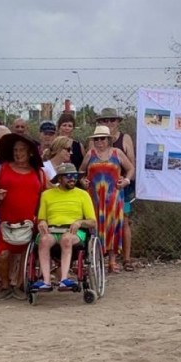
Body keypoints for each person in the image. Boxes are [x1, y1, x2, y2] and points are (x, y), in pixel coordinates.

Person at [0, 133, 46, 297]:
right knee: (2, 255)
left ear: (29, 152)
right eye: (15, 150)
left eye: (22, 149)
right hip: (6, 222)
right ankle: (6, 285)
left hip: (30, 223)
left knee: (26, 255)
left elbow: (48, 193)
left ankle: (20, 285)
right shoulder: (4, 168)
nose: (18, 153)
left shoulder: (39, 173)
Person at [33, 163, 98, 290]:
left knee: (66, 239)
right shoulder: (47, 195)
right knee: (44, 240)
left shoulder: (83, 194)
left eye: (74, 176)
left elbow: (92, 221)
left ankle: (64, 279)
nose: (72, 178)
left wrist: (79, 222)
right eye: (68, 176)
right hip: (52, 230)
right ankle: (46, 281)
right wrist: (42, 222)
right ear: (60, 179)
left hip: (74, 231)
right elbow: (42, 218)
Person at [80, 124, 133, 273]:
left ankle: (112, 261)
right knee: (95, 227)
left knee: (113, 226)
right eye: (96, 139)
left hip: (113, 197)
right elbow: (81, 171)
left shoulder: (117, 153)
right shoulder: (90, 154)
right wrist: (82, 181)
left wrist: (127, 181)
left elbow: (130, 168)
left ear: (108, 140)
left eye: (102, 138)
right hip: (95, 197)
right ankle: (97, 259)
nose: (99, 142)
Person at [99, 108, 137, 268]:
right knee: (100, 221)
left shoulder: (125, 138)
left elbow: (131, 165)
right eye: (105, 120)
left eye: (112, 120)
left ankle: (126, 259)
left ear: (118, 122)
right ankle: (102, 257)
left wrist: (125, 179)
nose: (109, 123)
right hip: (101, 188)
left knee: (124, 221)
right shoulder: (96, 139)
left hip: (121, 188)